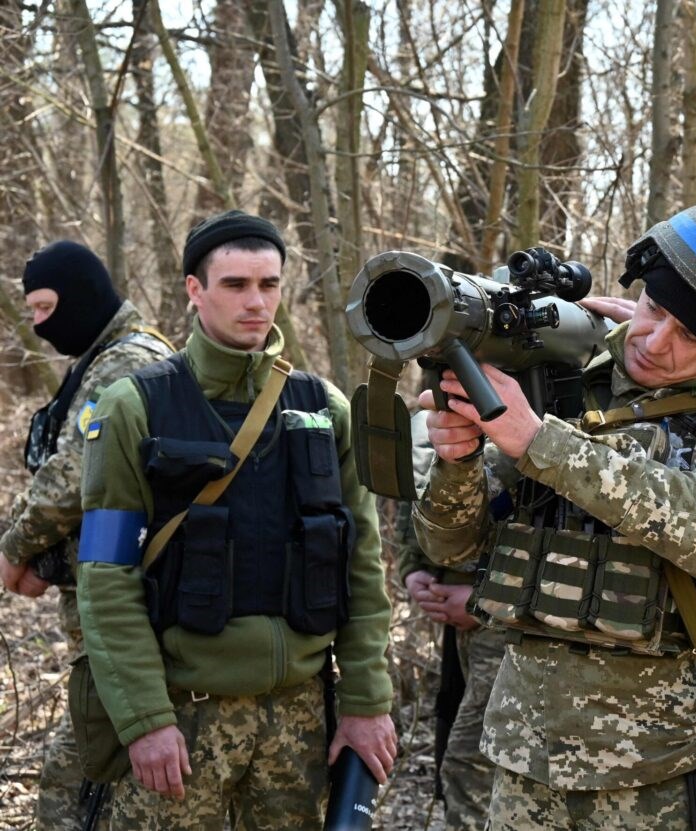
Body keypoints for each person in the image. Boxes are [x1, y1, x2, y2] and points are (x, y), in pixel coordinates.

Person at [413, 202, 696, 829]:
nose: (654, 341)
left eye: (690, 337)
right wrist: (456, 461)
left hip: (658, 769)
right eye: (654, 310)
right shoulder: (566, 384)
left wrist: (540, 442)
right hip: (524, 757)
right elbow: (450, 546)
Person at [75, 210, 396, 829]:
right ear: (194, 291)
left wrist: (365, 701)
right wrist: (145, 720)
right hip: (182, 717)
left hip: (302, 720)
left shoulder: (323, 407)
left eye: (269, 285)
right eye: (235, 285)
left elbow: (362, 567)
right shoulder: (133, 407)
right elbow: (105, 575)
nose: (256, 302)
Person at [1, 240, 174, 829]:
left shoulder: (129, 361)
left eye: (46, 308)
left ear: (81, 296)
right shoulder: (97, 360)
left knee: (73, 780)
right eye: (31, 315)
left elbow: (77, 473)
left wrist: (14, 547)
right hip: (99, 607)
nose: (41, 326)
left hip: (129, 613)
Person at [393, 410, 504, 830]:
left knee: (472, 764)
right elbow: (419, 494)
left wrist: (486, 600)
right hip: (460, 624)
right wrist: (414, 570)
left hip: (513, 630)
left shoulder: (545, 388)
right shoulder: (439, 409)